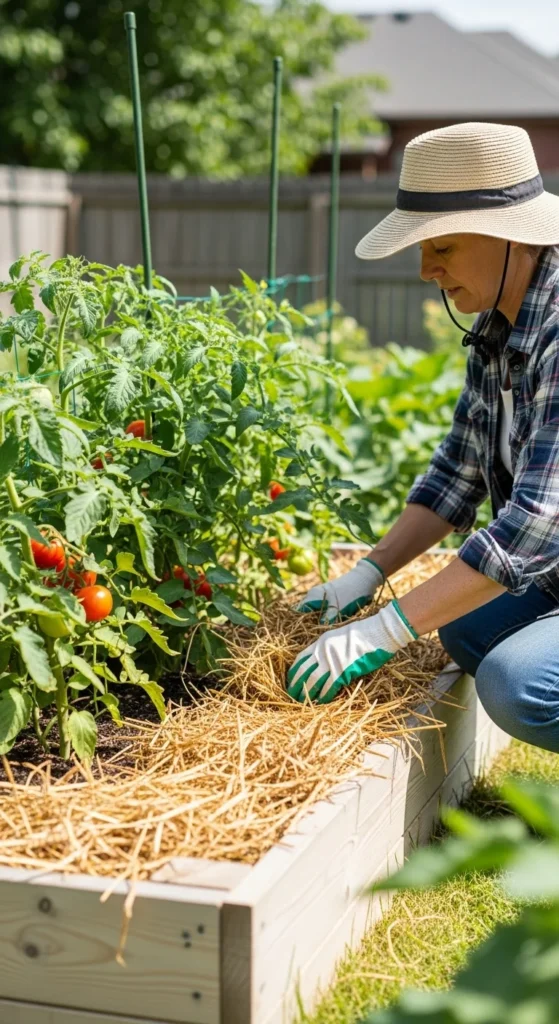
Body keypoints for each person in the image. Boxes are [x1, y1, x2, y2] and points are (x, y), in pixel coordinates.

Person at [287, 122, 559, 755]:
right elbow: (457, 474)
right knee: (463, 629)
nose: (423, 269)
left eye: (442, 246)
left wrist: (384, 629)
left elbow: (539, 526)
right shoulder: (500, 328)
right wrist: (370, 572)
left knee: (519, 683)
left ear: (511, 237)